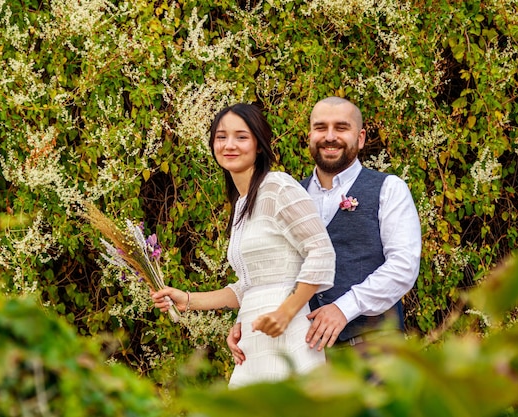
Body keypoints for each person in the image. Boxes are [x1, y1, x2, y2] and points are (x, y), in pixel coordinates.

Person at [151, 103, 335, 388]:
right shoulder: (241, 205)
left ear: (259, 145)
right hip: (252, 340)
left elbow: (321, 251)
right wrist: (187, 300)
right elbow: (249, 286)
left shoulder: (278, 186)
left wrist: (286, 312)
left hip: (288, 333)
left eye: (241, 136)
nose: (229, 145)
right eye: (221, 137)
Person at [227, 97, 421, 363]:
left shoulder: (389, 189)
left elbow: (403, 266)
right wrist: (247, 319)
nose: (330, 136)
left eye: (341, 128)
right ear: (310, 136)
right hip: (304, 354)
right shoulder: (288, 193)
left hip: (373, 349)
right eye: (321, 128)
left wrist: (344, 308)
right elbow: (272, 273)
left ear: (361, 137)